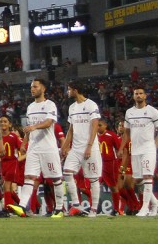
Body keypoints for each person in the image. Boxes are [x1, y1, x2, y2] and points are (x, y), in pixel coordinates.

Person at [7, 79, 63, 217]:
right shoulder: (30, 107)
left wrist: (35, 127)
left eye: (35, 87)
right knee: (29, 177)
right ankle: (22, 207)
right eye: (31, 87)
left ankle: (60, 209)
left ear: (43, 89)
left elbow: (49, 122)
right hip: (33, 148)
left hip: (48, 148)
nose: (32, 89)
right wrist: (24, 144)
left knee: (55, 179)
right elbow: (28, 129)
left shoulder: (50, 105)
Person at [120, 86, 158, 217]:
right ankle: (155, 203)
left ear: (145, 96)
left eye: (141, 93)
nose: (139, 95)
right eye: (136, 93)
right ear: (133, 96)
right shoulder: (129, 112)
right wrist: (121, 148)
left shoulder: (152, 111)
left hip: (148, 149)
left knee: (147, 177)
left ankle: (145, 208)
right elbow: (126, 132)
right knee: (138, 179)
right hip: (135, 150)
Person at [60, 80, 101, 217]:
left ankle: (94, 209)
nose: (68, 92)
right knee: (67, 172)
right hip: (76, 148)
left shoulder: (91, 105)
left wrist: (89, 146)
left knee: (93, 179)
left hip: (90, 147)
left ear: (75, 90)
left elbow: (95, 125)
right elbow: (71, 130)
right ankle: (76, 205)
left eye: (69, 89)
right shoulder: (71, 107)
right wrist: (64, 146)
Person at [0, 116, 24, 213]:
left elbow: (22, 148)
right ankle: (21, 207)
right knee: (8, 188)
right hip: (3, 165)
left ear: (9, 124)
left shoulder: (13, 136)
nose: (3, 123)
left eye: (5, 121)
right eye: (1, 122)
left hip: (12, 163)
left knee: (7, 185)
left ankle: (7, 209)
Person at [96, 118, 122, 215]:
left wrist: (120, 165)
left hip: (109, 164)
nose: (98, 127)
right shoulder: (93, 136)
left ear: (105, 126)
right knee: (94, 185)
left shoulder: (111, 135)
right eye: (97, 125)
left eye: (100, 125)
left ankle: (116, 209)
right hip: (97, 163)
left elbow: (119, 150)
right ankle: (95, 207)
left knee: (113, 187)